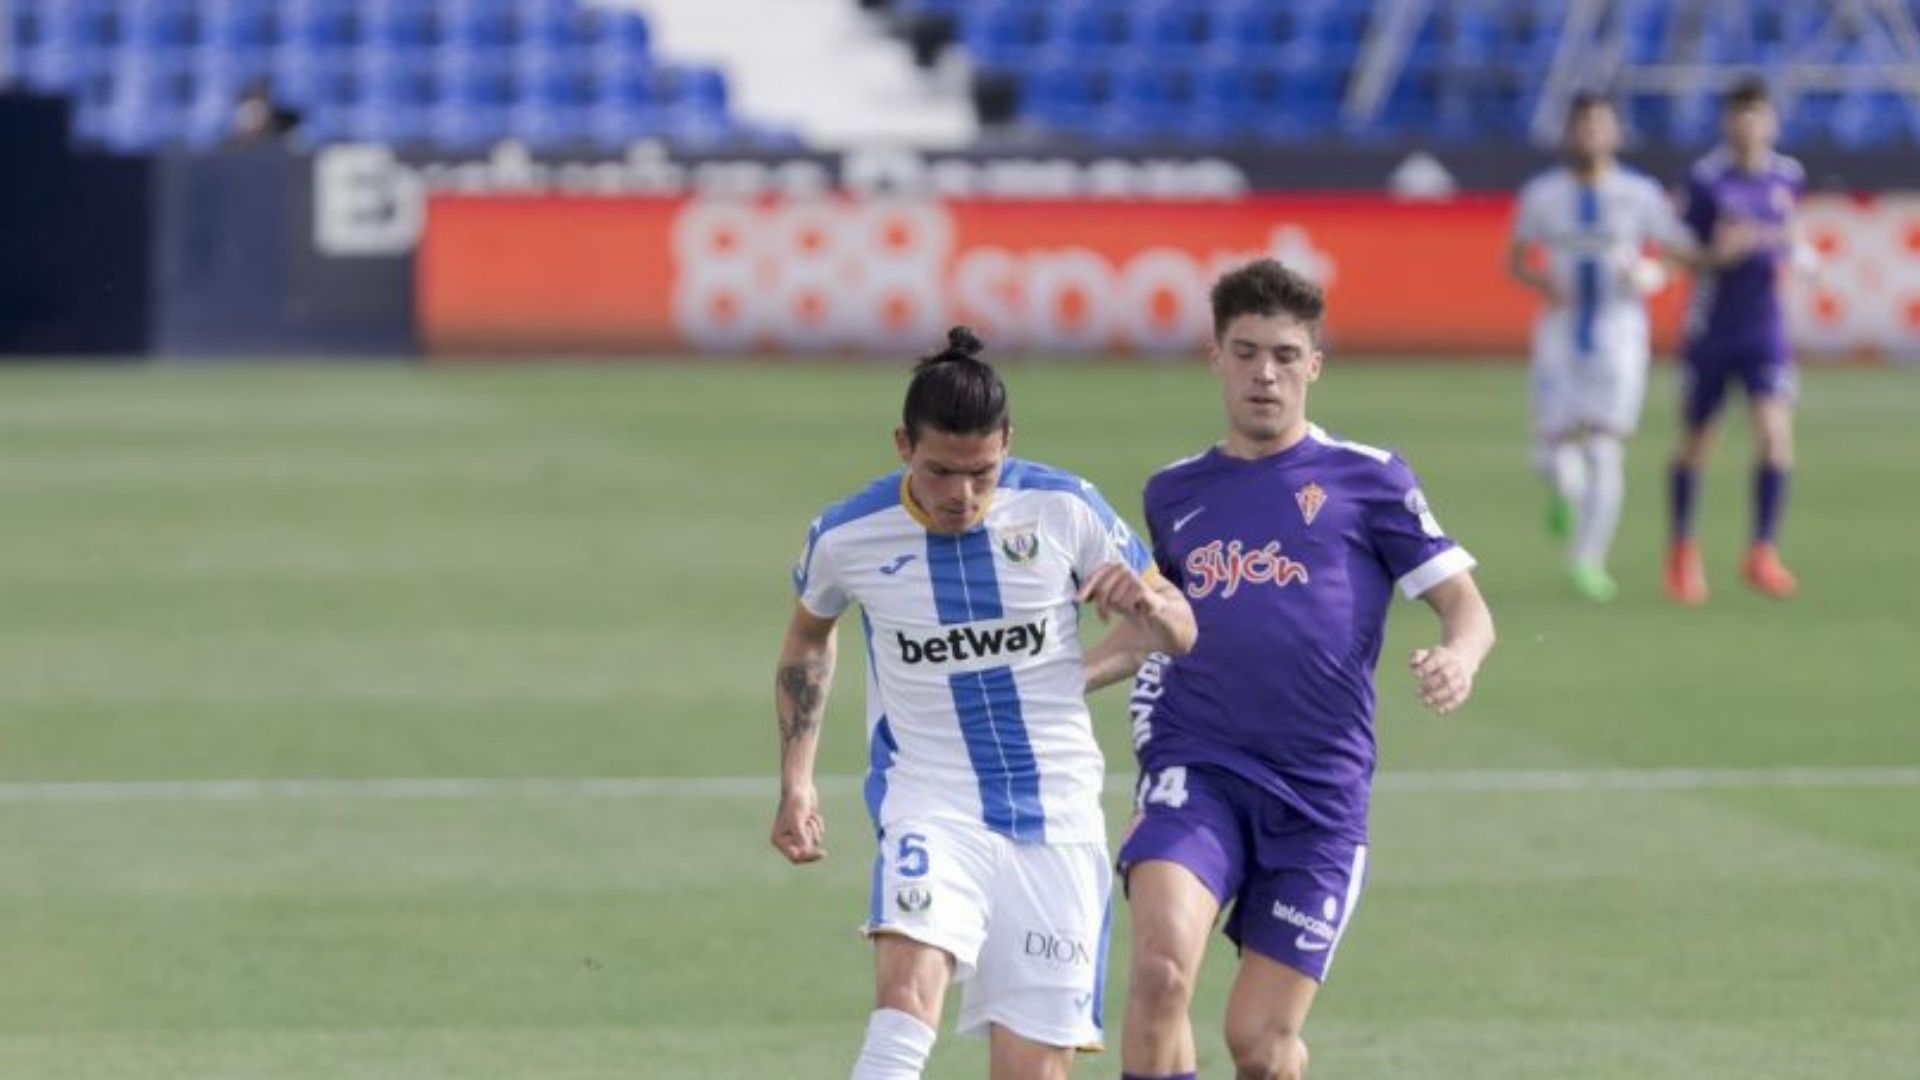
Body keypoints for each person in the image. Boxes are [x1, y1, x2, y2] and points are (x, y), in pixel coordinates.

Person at [1084, 260, 1495, 1080]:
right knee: (1162, 972)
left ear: (1315, 364)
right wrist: (1060, 678)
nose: (1263, 373)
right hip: (1198, 763)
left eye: (1282, 353)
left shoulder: (1371, 480)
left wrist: (1459, 657)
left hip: (1319, 796)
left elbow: (1468, 608)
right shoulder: (1174, 493)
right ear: (1216, 359)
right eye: (1245, 352)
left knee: (1262, 1047)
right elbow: (1156, 631)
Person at [771, 327, 1197, 1080]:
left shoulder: (1066, 508)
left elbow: (1181, 632)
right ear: (903, 444)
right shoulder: (848, 536)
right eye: (941, 471)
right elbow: (810, 638)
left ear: (1008, 443)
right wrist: (797, 779)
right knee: (906, 994)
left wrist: (1148, 606)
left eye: (982, 473)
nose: (962, 495)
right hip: (930, 799)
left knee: (1031, 1069)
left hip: (1058, 816)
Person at [1507, 92, 1694, 602]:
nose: (1590, 134)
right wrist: (1542, 281)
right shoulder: (1543, 195)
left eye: (1599, 125)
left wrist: (1652, 273)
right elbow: (1518, 259)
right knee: (1552, 452)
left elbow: (1677, 252)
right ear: (1570, 132)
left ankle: (1587, 562)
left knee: (1605, 446)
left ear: (1614, 132)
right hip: (1561, 333)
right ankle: (1565, 491)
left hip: (1618, 334)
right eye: (1582, 124)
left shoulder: (1640, 193)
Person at [1666, 76, 1810, 604]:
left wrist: (1789, 247)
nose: (1749, 123)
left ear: (1771, 121)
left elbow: (1789, 234)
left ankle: (1762, 551)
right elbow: (1676, 250)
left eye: (1758, 113)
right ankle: (1682, 550)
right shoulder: (1705, 180)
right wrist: (1717, 257)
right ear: (1728, 121)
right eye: (1739, 113)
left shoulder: (1787, 177)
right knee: (1698, 443)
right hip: (1712, 328)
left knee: (1775, 437)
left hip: (1765, 328)